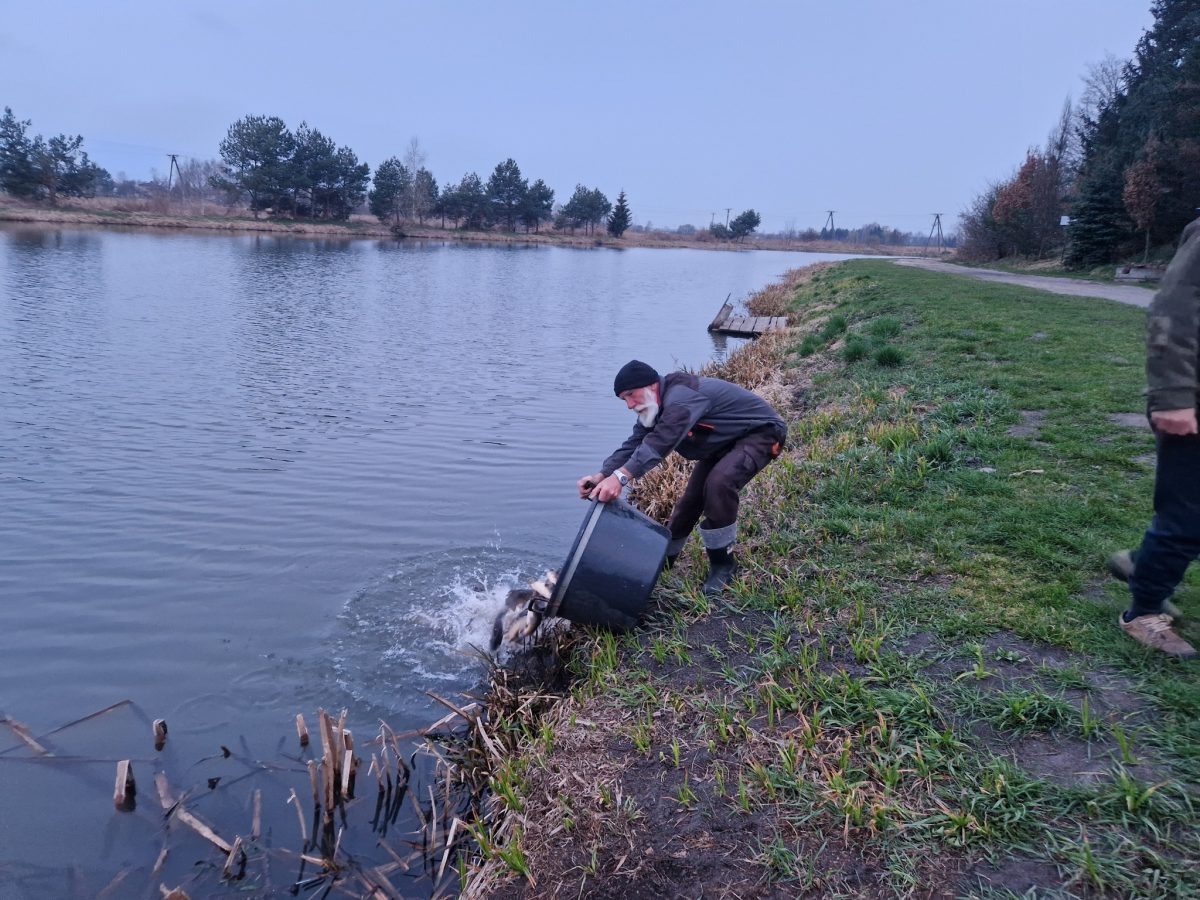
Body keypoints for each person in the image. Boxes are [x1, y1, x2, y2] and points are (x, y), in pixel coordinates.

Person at [577, 359, 787, 595]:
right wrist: (602, 475)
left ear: (650, 386)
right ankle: (663, 562)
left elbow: (659, 442)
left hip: (763, 433)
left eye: (630, 395)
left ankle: (723, 565)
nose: (629, 405)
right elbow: (634, 444)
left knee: (719, 484)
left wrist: (620, 478)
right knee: (690, 501)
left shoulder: (681, 398)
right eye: (623, 400)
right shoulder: (654, 407)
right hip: (725, 443)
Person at [1108, 216, 1200, 659]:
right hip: (1191, 402)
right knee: (1187, 515)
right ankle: (1142, 612)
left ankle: (1141, 565)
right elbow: (1173, 309)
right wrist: (1173, 396)